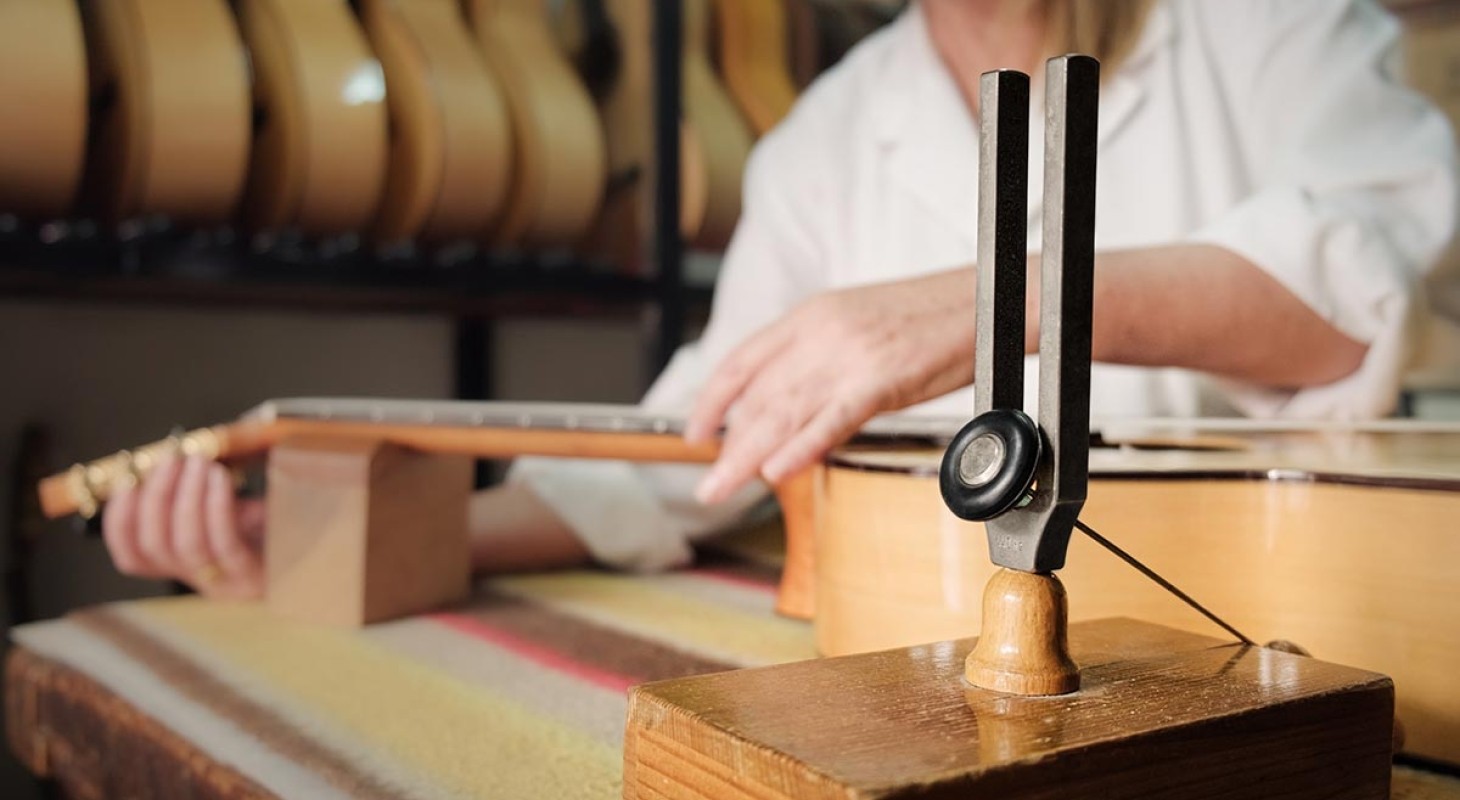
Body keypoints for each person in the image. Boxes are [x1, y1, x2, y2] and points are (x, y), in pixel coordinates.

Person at [101, 0, 1458, 600]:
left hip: (1268, 629)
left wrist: (981, 305)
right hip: (938, 657)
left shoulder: (1271, 22)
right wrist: (327, 545)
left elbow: (1356, 294)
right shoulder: (823, 133)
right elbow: (693, 450)